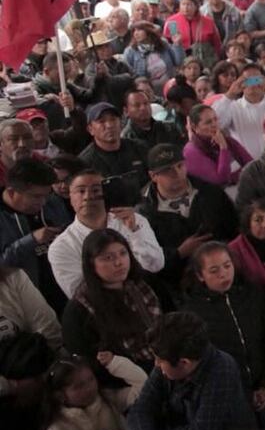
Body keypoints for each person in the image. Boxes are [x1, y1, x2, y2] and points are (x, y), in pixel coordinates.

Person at [182, 242, 265, 429]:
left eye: (227, 266)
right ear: (200, 275)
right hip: (230, 395)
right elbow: (205, 362)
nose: (223, 274)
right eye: (214, 270)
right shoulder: (193, 312)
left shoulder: (252, 294)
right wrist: (245, 394)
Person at [125, 311, 255, 430]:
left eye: (160, 360)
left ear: (184, 363)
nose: (156, 364)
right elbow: (141, 409)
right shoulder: (168, 358)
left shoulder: (222, 370)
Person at [137, 144, 237, 295]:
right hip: (178, 288)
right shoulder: (144, 213)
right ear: (153, 176)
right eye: (167, 170)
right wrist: (178, 253)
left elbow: (235, 230)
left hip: (223, 278)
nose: (176, 173)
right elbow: (147, 260)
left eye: (180, 166)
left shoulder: (211, 193)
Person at [50, 170, 165, 299]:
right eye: (81, 191)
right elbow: (78, 294)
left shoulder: (134, 220)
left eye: (96, 190)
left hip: (146, 295)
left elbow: (156, 264)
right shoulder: (61, 246)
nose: (88, 197)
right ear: (70, 197)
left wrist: (135, 232)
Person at [61, 229, 162, 372]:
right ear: (91, 264)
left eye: (123, 253)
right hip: (125, 377)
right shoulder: (78, 309)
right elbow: (88, 364)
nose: (119, 262)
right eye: (107, 258)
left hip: (164, 359)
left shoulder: (144, 281)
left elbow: (174, 321)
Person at [0, 159, 71, 312]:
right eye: (36, 196)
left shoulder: (53, 203)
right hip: (25, 303)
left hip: (65, 290)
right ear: (12, 192)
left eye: (47, 195)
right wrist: (31, 240)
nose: (43, 202)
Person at [41, 352, 147, 430]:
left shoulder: (108, 399)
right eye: (79, 386)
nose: (89, 388)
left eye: (91, 379)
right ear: (60, 395)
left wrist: (115, 363)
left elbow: (143, 388)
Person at [210, 63, 265, 159]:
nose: (253, 84)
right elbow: (215, 122)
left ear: (263, 81)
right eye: (248, 80)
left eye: (256, 79)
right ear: (240, 82)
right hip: (245, 163)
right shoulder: (233, 107)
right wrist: (229, 94)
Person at [182, 104, 253, 199]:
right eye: (208, 122)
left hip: (244, 190)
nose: (214, 124)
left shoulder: (227, 140)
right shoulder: (191, 151)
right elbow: (221, 179)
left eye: (215, 119)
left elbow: (251, 165)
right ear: (195, 127)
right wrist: (223, 148)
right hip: (218, 199)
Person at [79, 102, 150, 194]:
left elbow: (155, 178)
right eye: (101, 121)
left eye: (113, 119)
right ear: (90, 129)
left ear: (120, 123)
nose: (109, 125)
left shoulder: (140, 148)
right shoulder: (85, 162)